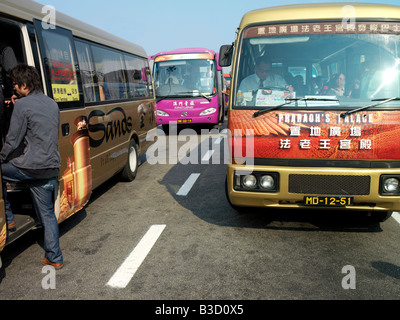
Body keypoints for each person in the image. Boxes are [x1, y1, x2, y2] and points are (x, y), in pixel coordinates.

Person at [0, 64, 63, 269]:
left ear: (24, 85)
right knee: (47, 214)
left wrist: (1, 157)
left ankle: (8, 218)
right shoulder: (52, 104)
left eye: (16, 85)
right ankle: (54, 257)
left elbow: (12, 141)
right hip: (50, 169)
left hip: (29, 168)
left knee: (1, 171)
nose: (14, 89)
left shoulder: (22, 106)